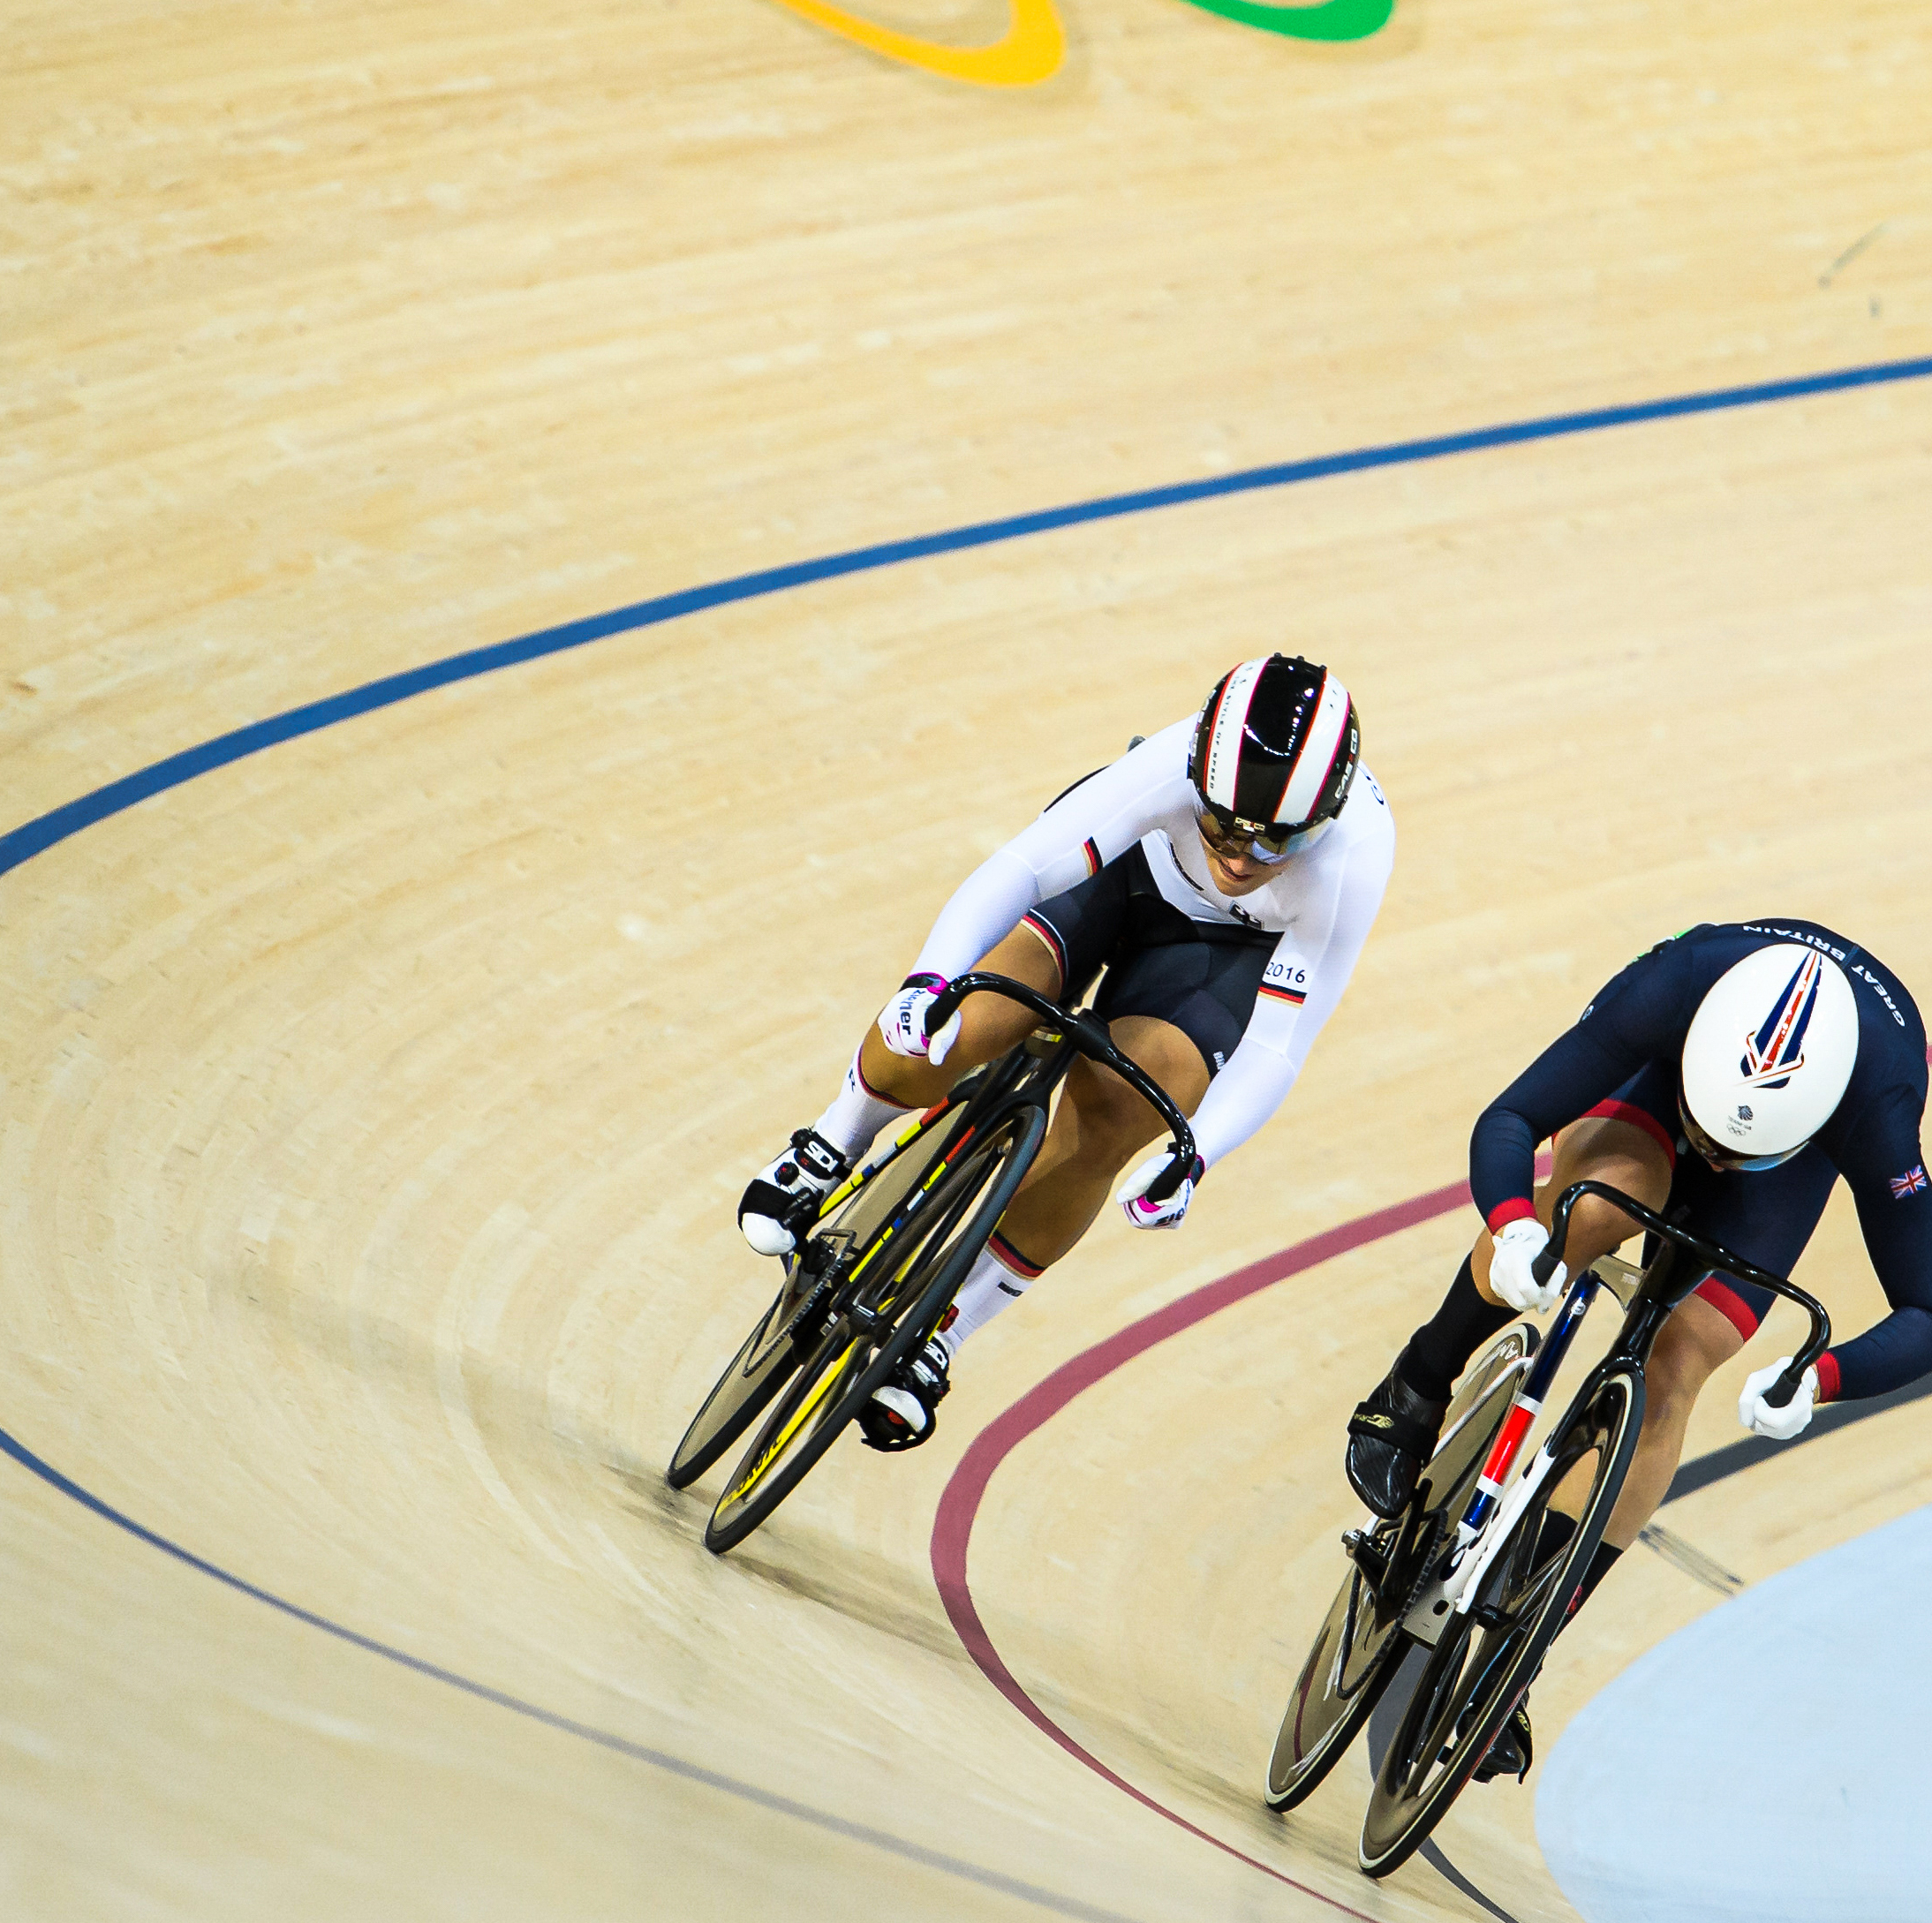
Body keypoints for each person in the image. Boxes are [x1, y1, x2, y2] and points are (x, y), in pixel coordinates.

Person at [737, 656, 1394, 1448]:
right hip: (1123, 880)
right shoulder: (1169, 765)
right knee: (960, 1025)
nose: (1245, 857)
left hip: (1221, 957)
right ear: (1199, 779)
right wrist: (928, 982)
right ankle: (834, 1138)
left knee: (1120, 1111)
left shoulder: (1356, 853)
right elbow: (1019, 868)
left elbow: (1280, 1045)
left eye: (1282, 840)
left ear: (1326, 820)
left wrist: (1197, 1157)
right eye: (1224, 826)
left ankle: (944, 1330)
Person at [1345, 919, 1930, 1778]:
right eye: (1714, 1136)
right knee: (1589, 1216)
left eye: (1740, 1151)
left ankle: (1523, 1643)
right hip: (1658, 1088)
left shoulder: (1876, 1099)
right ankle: (1417, 1385)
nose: (1716, 1161)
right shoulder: (1673, 987)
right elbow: (1513, 1116)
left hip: (1791, 1169)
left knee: (1681, 1361)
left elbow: (1924, 1306)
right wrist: (1513, 1228)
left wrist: (1822, 1377)